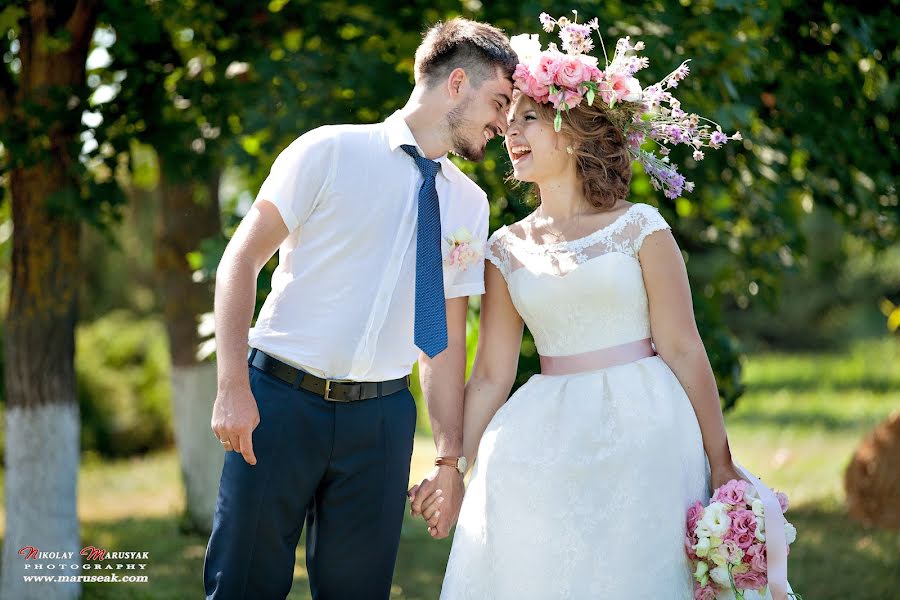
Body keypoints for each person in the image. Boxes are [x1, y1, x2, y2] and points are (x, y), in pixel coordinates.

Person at [419, 13, 768, 599]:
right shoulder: (504, 248)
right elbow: (490, 375)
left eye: (530, 117)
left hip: (647, 427)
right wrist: (451, 464)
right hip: (544, 433)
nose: (511, 131)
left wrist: (721, 460)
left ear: (575, 130)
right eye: (508, 119)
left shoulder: (641, 228)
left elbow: (683, 347)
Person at [202, 18, 517, 599]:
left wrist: (449, 462)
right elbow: (239, 262)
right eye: (497, 102)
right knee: (242, 586)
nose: (503, 122)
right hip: (277, 405)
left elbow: (442, 339)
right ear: (456, 85)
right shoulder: (329, 150)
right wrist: (231, 388)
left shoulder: (469, 204)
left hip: (382, 423)